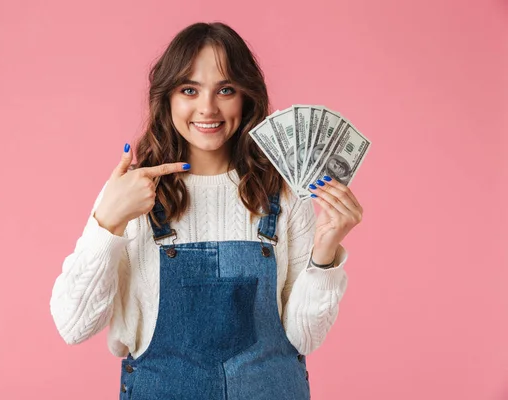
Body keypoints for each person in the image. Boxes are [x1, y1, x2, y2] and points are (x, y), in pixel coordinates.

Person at [50, 22, 363, 400]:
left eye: (225, 90)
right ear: (167, 98)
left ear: (247, 97)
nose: (208, 108)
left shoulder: (283, 194)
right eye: (189, 90)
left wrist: (325, 255)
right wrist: (108, 223)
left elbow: (304, 338)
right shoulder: (129, 196)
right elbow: (73, 325)